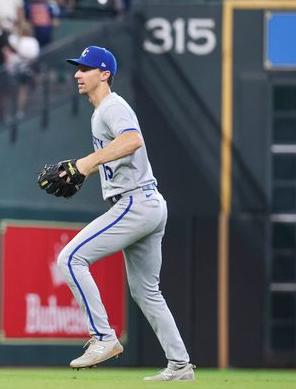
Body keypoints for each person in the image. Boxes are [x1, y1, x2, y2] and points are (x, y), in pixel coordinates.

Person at [54, 46, 194, 381]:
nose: (77, 73)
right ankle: (180, 365)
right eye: (78, 68)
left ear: (104, 74)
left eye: (85, 68)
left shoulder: (112, 106)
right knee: (146, 290)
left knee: (70, 259)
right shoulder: (101, 111)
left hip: (135, 203)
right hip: (148, 202)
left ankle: (103, 338)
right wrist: (87, 168)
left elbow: (132, 140)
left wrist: (85, 164)